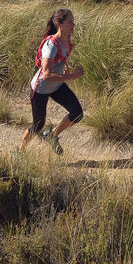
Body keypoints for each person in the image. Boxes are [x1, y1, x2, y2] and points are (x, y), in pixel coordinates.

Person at [18, 8, 84, 154]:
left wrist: (64, 72)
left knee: (77, 113)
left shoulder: (67, 39)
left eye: (73, 21)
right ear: (59, 24)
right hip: (40, 88)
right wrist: (71, 76)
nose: (73, 25)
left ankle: (52, 136)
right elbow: (46, 74)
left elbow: (58, 62)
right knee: (38, 125)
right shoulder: (51, 45)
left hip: (56, 85)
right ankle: (19, 152)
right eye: (70, 22)